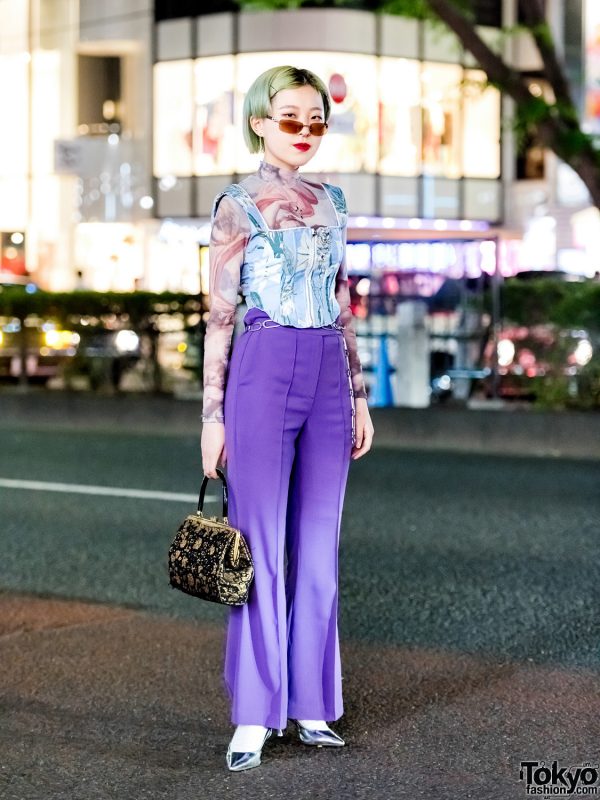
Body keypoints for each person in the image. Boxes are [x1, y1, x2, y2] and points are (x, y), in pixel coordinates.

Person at [200, 65, 374, 772]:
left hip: (329, 370)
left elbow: (341, 302)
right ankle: (254, 713)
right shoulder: (236, 205)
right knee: (259, 545)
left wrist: (359, 394)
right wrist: (212, 416)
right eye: (290, 117)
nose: (305, 131)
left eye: (316, 119)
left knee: (318, 546)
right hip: (262, 367)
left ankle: (310, 705)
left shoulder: (334, 200)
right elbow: (218, 315)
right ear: (259, 123)